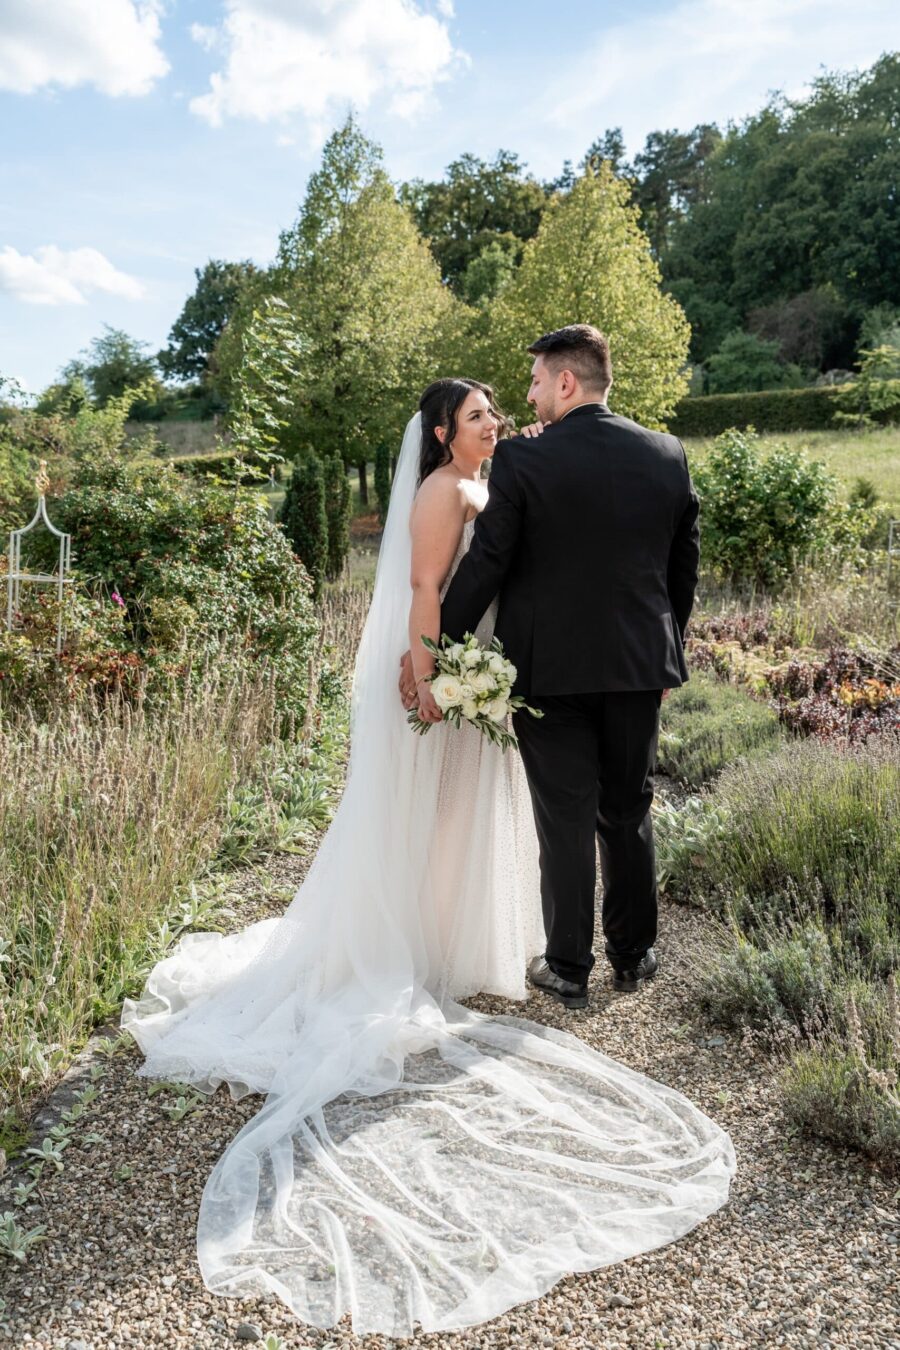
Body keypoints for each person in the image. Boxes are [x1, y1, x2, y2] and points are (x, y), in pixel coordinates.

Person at [121, 375, 733, 1339]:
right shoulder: (458, 486)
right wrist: (433, 668)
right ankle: (445, 945)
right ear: (444, 432)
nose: (502, 418)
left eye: (507, 404)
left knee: (515, 820)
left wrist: (469, 654)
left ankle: (502, 948)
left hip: (507, 670)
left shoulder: (517, 467)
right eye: (482, 412)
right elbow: (425, 584)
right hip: (463, 670)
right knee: (493, 816)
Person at [440, 324, 700, 1011]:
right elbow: (682, 568)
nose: (526, 397)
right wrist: (665, 655)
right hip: (639, 665)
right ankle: (635, 955)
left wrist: (443, 647)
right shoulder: (667, 454)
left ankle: (568, 966)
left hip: (550, 671)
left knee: (563, 819)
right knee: (627, 808)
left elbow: (487, 564)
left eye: (533, 382)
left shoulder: (526, 463)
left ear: (565, 381)